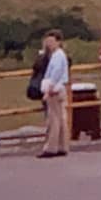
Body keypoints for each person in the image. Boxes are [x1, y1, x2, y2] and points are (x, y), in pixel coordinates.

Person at [37, 30, 69, 159]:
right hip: (61, 88)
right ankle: (62, 145)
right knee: (61, 117)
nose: (49, 44)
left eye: (52, 41)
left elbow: (55, 73)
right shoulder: (61, 55)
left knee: (53, 119)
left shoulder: (57, 56)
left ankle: (51, 147)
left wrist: (49, 89)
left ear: (58, 42)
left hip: (54, 88)